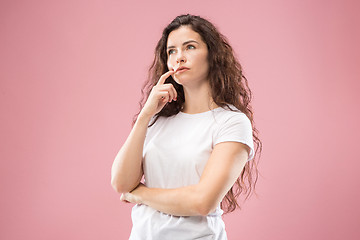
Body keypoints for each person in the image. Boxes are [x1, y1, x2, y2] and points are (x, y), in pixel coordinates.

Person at [111, 14, 262, 240]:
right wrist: (145, 115)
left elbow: (202, 201)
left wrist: (140, 194)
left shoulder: (231, 122)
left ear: (213, 55)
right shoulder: (157, 120)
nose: (179, 57)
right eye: (171, 51)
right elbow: (121, 182)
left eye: (189, 47)